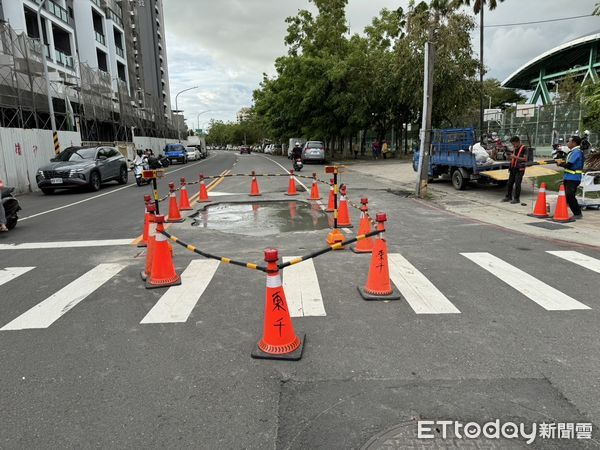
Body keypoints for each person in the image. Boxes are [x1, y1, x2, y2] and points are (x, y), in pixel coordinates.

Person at [558, 135, 585, 219]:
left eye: (569, 142)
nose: (567, 143)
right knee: (566, 196)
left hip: (573, 178)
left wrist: (561, 164)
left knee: (570, 195)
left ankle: (577, 213)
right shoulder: (572, 152)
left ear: (573, 143)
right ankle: (562, 212)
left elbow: (569, 165)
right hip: (568, 177)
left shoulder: (577, 152)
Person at [502, 136, 528, 204]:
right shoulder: (515, 148)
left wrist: (515, 157)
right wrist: (509, 157)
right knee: (509, 183)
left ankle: (516, 198)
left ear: (517, 142)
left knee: (517, 183)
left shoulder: (524, 148)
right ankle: (508, 196)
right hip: (513, 168)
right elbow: (513, 158)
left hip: (520, 168)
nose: (513, 145)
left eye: (514, 144)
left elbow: (525, 159)